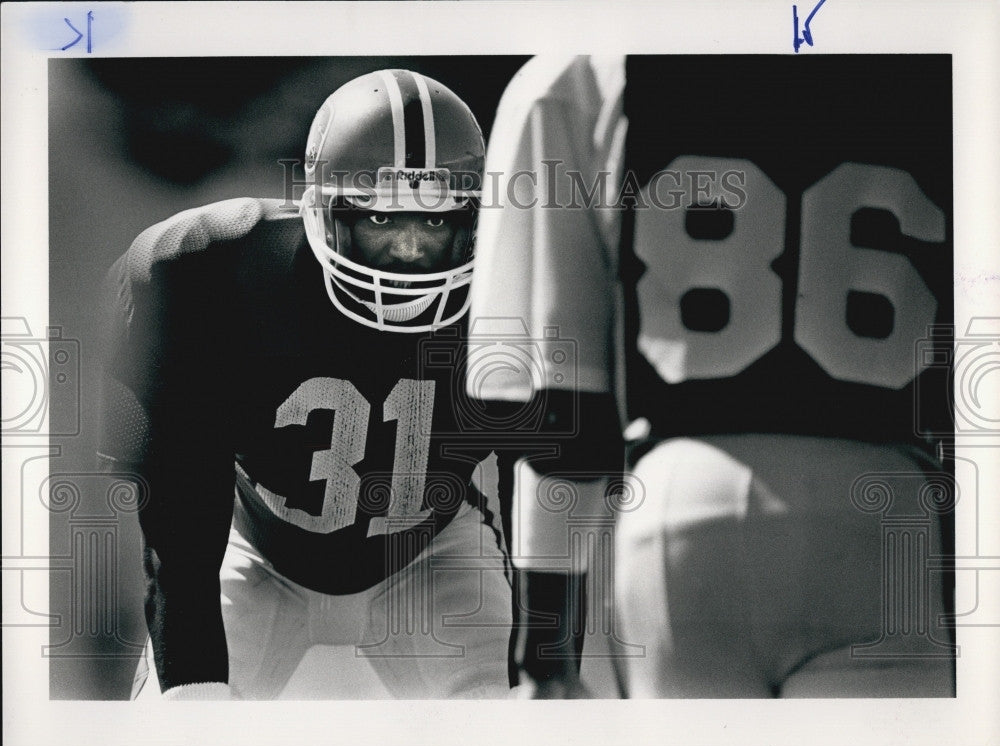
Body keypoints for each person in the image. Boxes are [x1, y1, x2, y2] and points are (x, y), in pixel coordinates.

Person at [468, 54, 956, 697]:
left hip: (682, 500)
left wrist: (545, 654)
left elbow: (564, 409)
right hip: (881, 507)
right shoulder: (931, 58)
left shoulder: (584, 64)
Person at [99, 69, 514, 700]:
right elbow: (180, 542)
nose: (406, 248)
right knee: (184, 738)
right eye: (378, 216)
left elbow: (539, 482)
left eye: (434, 223)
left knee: (519, 731)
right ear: (321, 208)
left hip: (432, 555)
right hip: (255, 552)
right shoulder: (219, 275)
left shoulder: (510, 296)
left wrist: (549, 662)